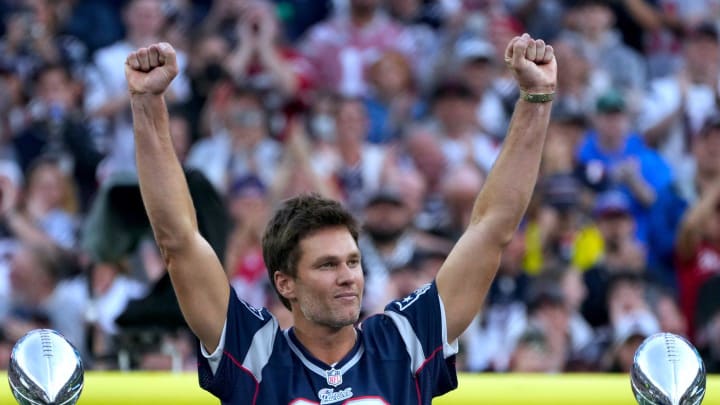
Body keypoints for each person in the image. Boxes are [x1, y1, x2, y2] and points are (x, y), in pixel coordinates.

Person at [125, 33, 555, 403]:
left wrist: (535, 100)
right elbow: (178, 240)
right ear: (284, 283)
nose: (348, 276)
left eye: (352, 261)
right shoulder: (254, 349)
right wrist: (148, 104)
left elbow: (491, 229)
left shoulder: (405, 341)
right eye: (327, 265)